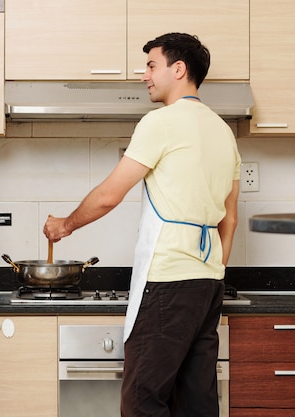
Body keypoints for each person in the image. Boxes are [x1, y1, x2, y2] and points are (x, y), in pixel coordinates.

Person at [43, 33, 240, 417]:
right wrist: (213, 269)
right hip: (207, 283)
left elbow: (108, 196)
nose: (144, 76)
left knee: (141, 401)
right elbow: (229, 218)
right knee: (197, 401)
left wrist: (64, 225)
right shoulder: (223, 131)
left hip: (166, 281)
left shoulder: (161, 122)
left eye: (151, 65)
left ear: (178, 69)